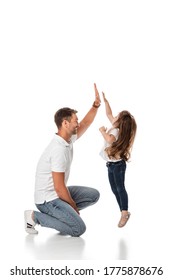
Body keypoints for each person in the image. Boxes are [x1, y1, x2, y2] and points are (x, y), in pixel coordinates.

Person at [24, 83, 101, 237]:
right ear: (65, 123)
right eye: (75, 121)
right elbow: (59, 188)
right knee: (78, 229)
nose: (78, 123)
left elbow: (86, 123)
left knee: (93, 195)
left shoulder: (67, 139)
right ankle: (34, 216)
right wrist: (72, 206)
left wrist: (95, 106)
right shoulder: (58, 149)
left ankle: (63, 218)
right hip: (47, 200)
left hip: (56, 194)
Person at [99, 91, 137, 228]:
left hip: (117, 166)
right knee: (115, 189)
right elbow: (109, 114)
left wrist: (102, 131)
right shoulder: (116, 126)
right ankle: (123, 211)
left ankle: (124, 212)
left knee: (120, 188)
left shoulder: (115, 131)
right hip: (111, 164)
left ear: (120, 122)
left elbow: (109, 138)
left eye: (117, 116)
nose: (114, 117)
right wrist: (106, 102)